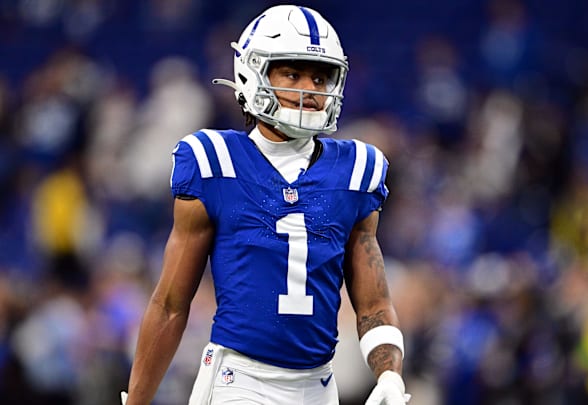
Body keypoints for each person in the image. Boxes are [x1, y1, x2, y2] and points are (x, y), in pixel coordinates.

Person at [121, 5, 410, 405]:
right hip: (239, 380)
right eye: (292, 74)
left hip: (319, 387)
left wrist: (390, 377)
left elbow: (374, 304)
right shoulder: (215, 161)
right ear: (253, 73)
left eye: (320, 76)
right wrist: (137, 399)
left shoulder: (356, 170)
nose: (310, 90)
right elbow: (171, 304)